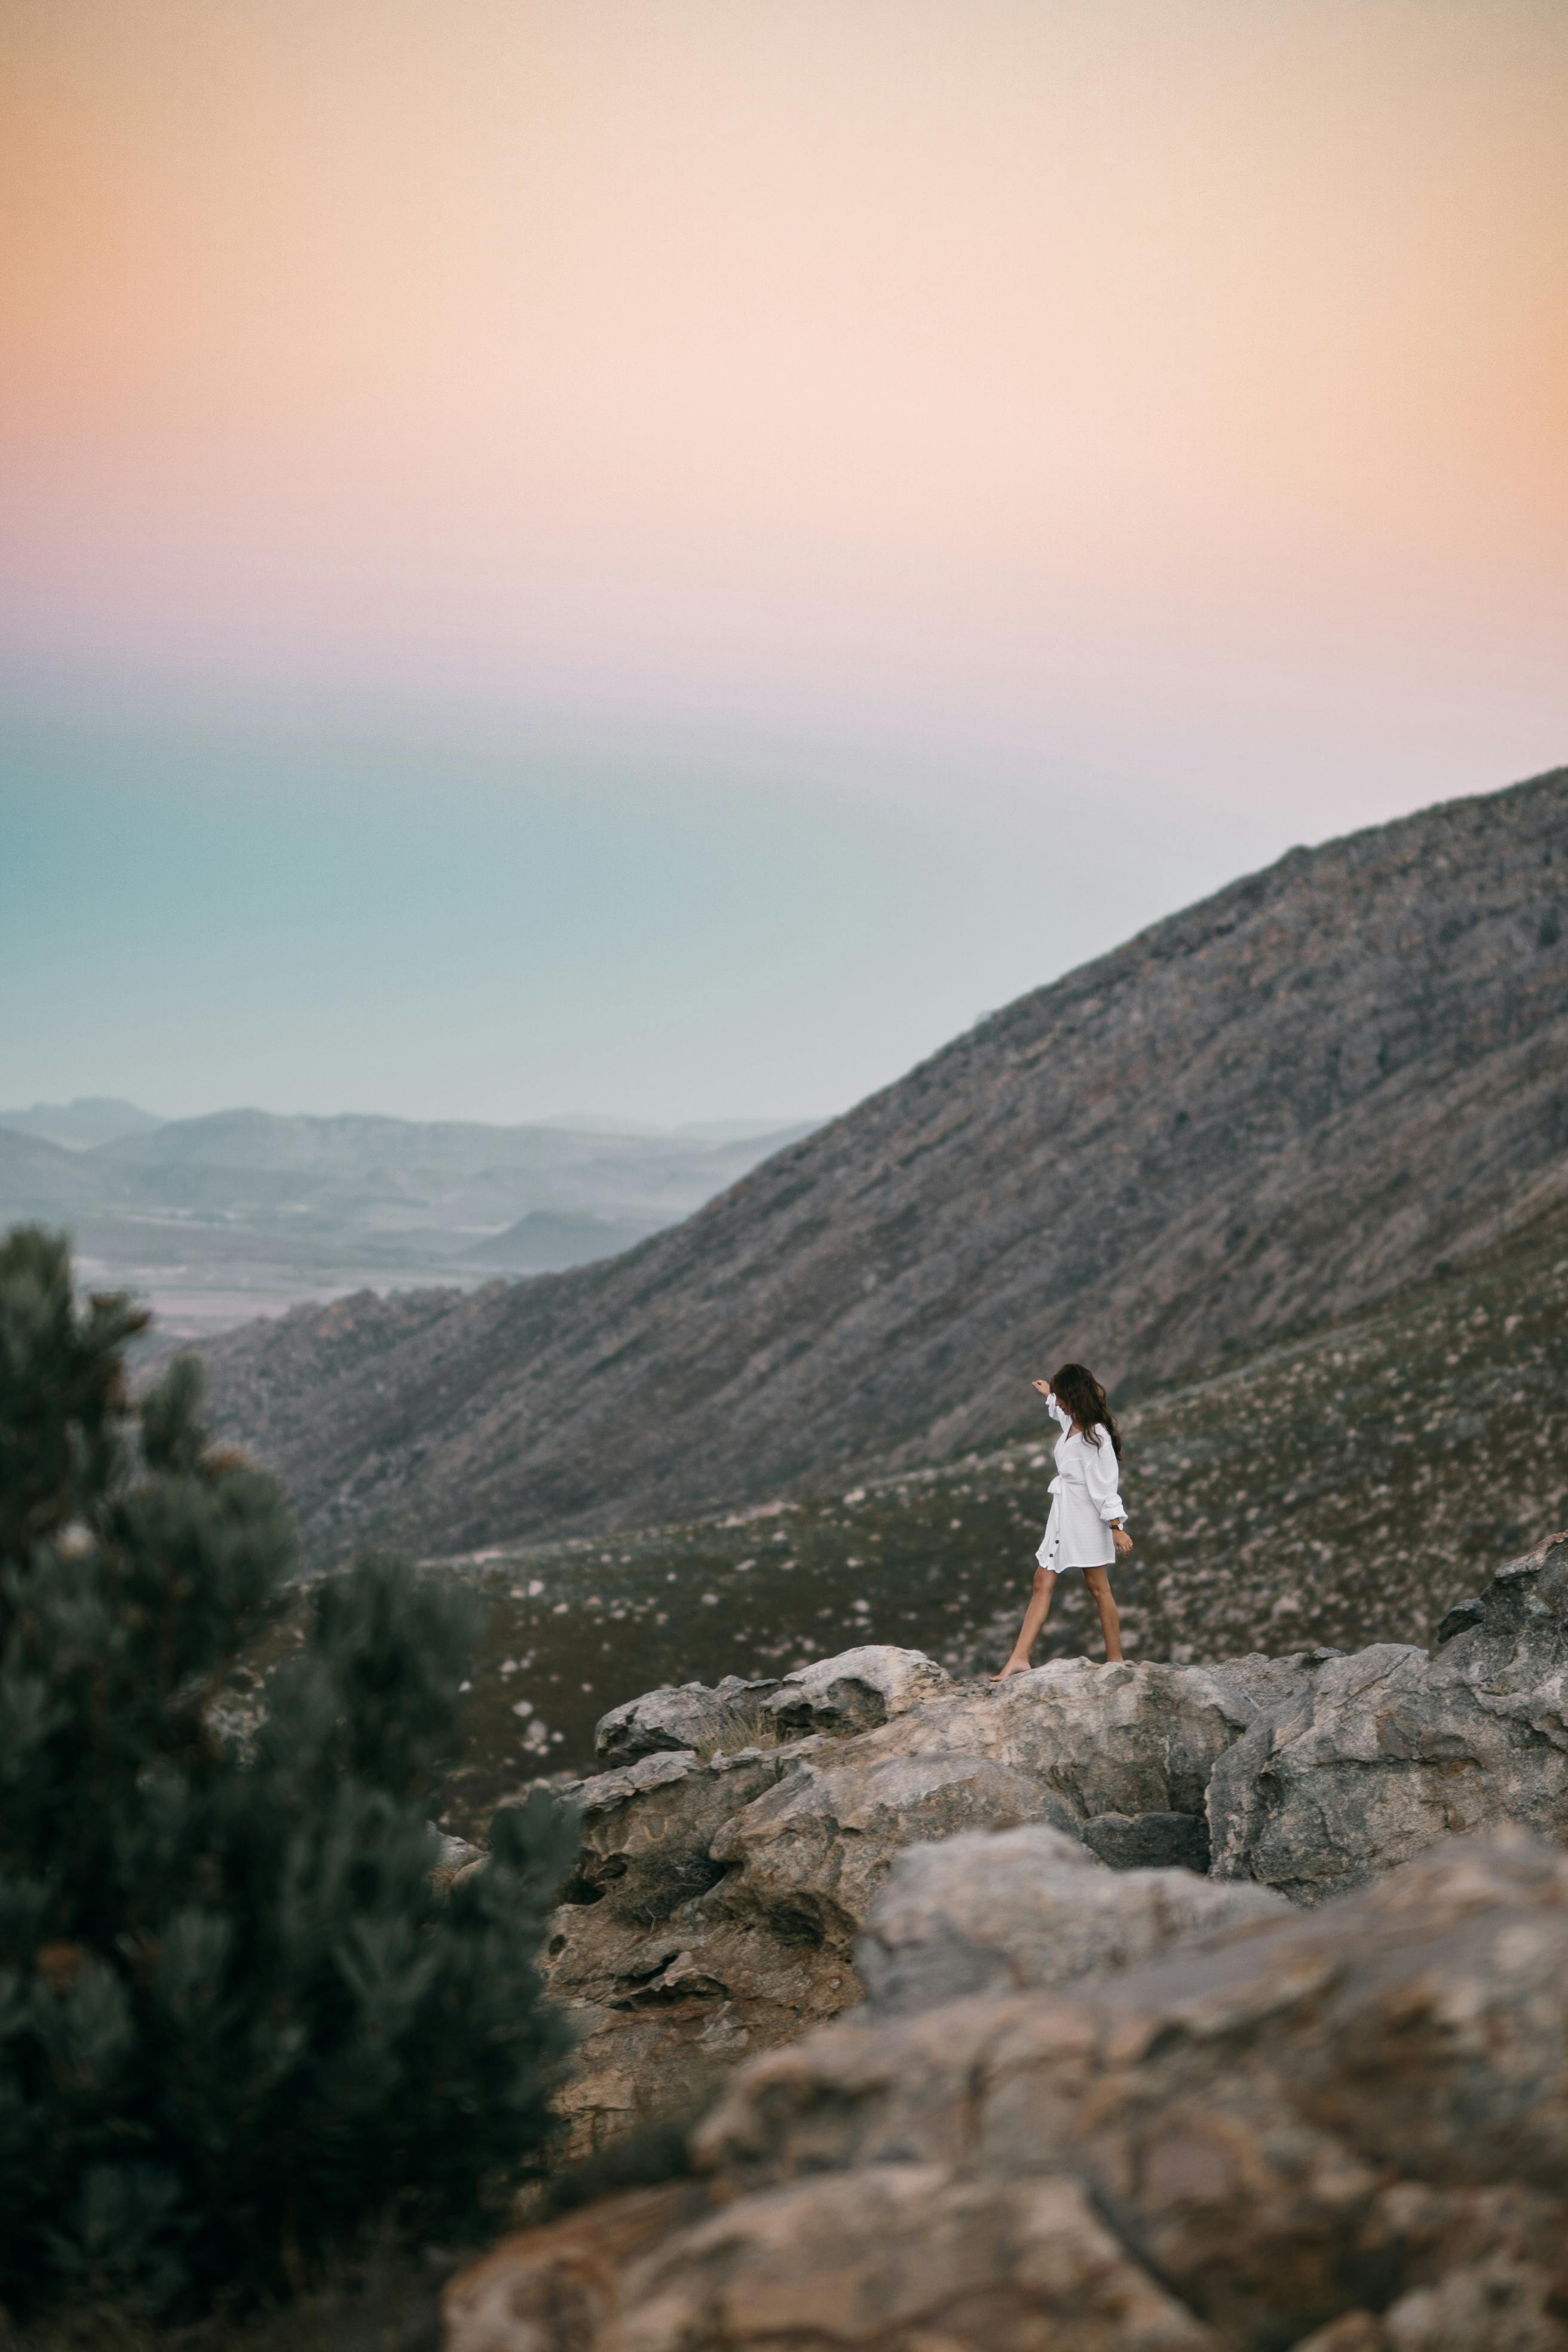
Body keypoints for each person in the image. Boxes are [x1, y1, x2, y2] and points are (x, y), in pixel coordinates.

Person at [991, 1362, 1132, 1681]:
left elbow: (1106, 1486)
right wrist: (1048, 1395)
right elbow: (1061, 1415)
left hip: (1087, 1518)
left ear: (1074, 1396)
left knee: (1098, 1588)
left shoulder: (1097, 1436)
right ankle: (1019, 1658)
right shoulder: (1073, 1423)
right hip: (1063, 1516)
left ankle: (1115, 1659)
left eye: (1062, 1396)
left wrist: (1116, 1527)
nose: (1061, 1403)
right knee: (1043, 1582)